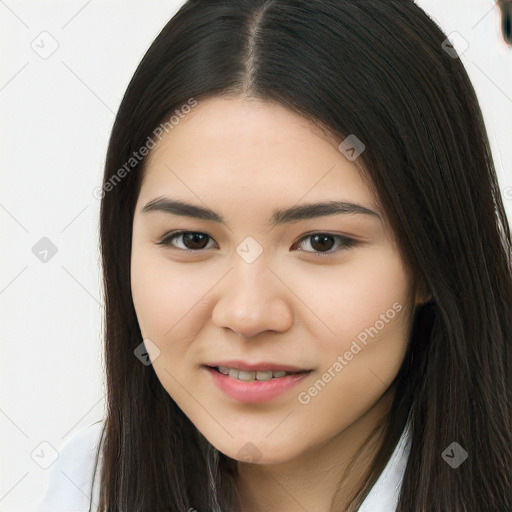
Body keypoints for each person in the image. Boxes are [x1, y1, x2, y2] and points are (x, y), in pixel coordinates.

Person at [36, 1, 512, 511]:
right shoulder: (87, 483)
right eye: (192, 240)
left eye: (322, 242)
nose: (247, 315)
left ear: (432, 258)